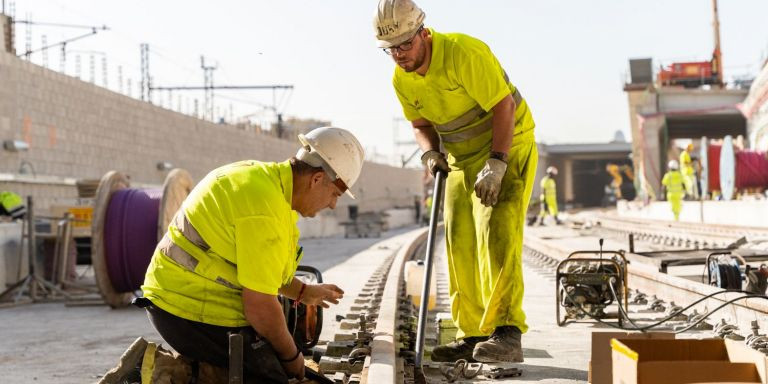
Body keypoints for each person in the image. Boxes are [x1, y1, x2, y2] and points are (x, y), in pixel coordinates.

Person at [374, 0, 537, 363]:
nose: (399, 54)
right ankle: (473, 333)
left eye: (405, 44)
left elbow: (504, 107)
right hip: (462, 159)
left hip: (507, 146)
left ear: (424, 33)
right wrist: (430, 153)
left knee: (497, 233)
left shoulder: (464, 53)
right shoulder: (401, 79)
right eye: (391, 49)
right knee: (459, 240)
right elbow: (421, 125)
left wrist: (497, 163)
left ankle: (508, 332)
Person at [138, 127, 365, 383]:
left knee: (275, 358)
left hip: (179, 297)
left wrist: (304, 292)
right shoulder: (266, 208)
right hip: (185, 308)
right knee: (275, 375)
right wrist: (292, 358)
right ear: (316, 179)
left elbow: (259, 272)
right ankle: (169, 374)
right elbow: (259, 306)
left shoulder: (267, 184)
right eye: (335, 194)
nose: (333, 204)